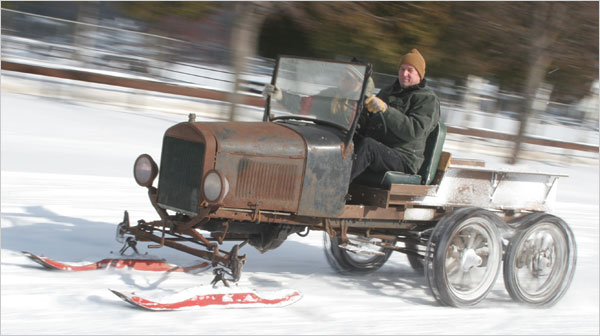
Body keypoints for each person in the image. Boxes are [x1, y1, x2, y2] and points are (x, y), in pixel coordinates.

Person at [351, 48, 440, 182]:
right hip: (382, 149)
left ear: (419, 74)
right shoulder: (387, 92)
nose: (404, 74)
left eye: (410, 70)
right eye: (402, 69)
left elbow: (413, 131)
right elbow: (369, 120)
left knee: (367, 146)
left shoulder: (427, 99)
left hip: (404, 158)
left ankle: (333, 191)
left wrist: (386, 110)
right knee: (345, 140)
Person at [263, 65, 375, 128]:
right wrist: (281, 96)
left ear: (359, 83)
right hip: (322, 138)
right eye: (342, 75)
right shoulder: (331, 95)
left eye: (347, 77)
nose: (341, 78)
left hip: (346, 149)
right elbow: (304, 105)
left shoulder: (366, 104)